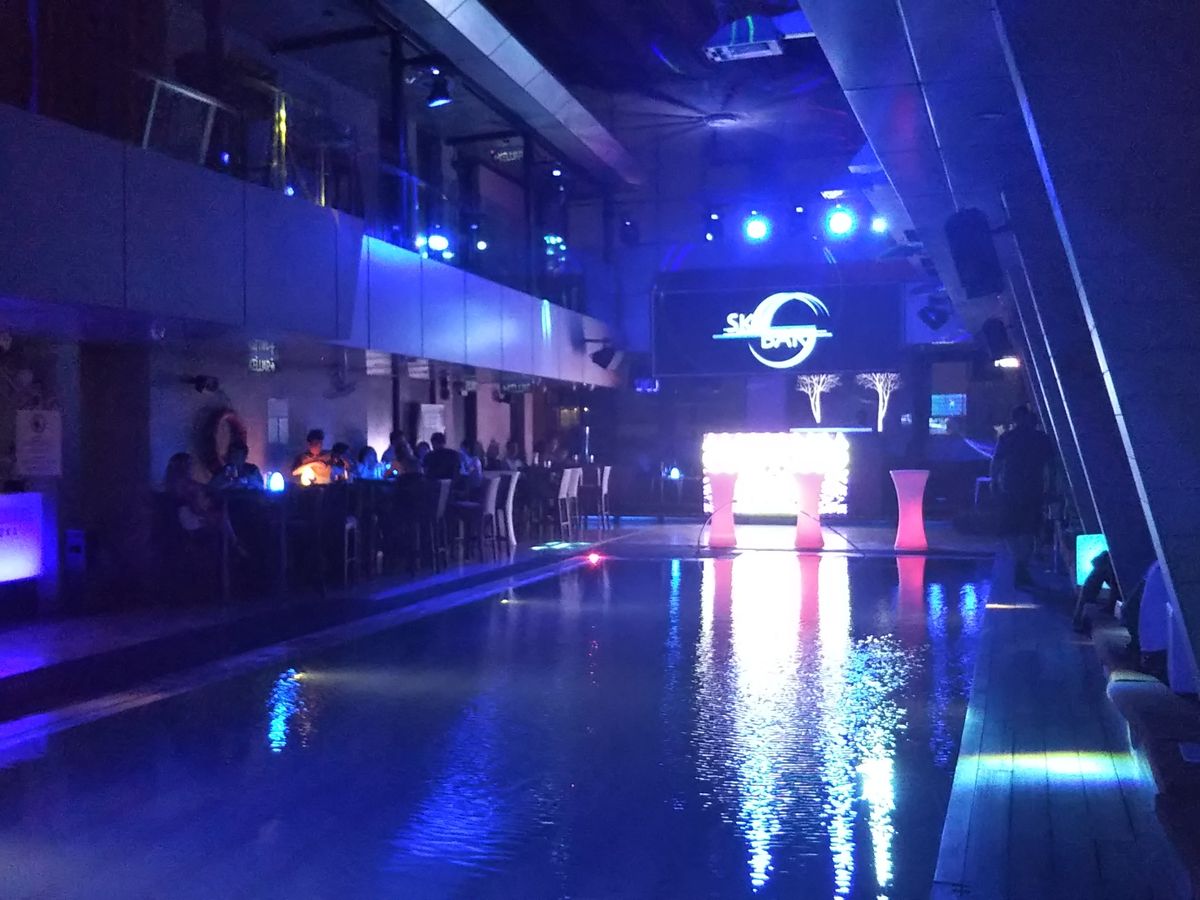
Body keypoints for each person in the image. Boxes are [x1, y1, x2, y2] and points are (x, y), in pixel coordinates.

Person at [991, 404, 1055, 588]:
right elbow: (1051, 465)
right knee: (1028, 529)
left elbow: (996, 462)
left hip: (1012, 489)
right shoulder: (1041, 439)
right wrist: (1050, 487)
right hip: (1032, 489)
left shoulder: (1008, 438)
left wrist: (994, 481)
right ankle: (1021, 564)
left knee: (1012, 530)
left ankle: (1019, 562)